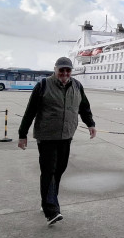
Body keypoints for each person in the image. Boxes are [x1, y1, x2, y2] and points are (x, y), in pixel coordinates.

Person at [18, 57, 96, 226]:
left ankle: (47, 201)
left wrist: (90, 124)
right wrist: (22, 134)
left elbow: (84, 107)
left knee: (60, 169)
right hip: (46, 136)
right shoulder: (43, 85)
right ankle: (51, 210)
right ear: (55, 69)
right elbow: (30, 111)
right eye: (61, 70)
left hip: (66, 135)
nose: (65, 73)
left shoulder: (77, 86)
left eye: (68, 70)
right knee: (49, 171)